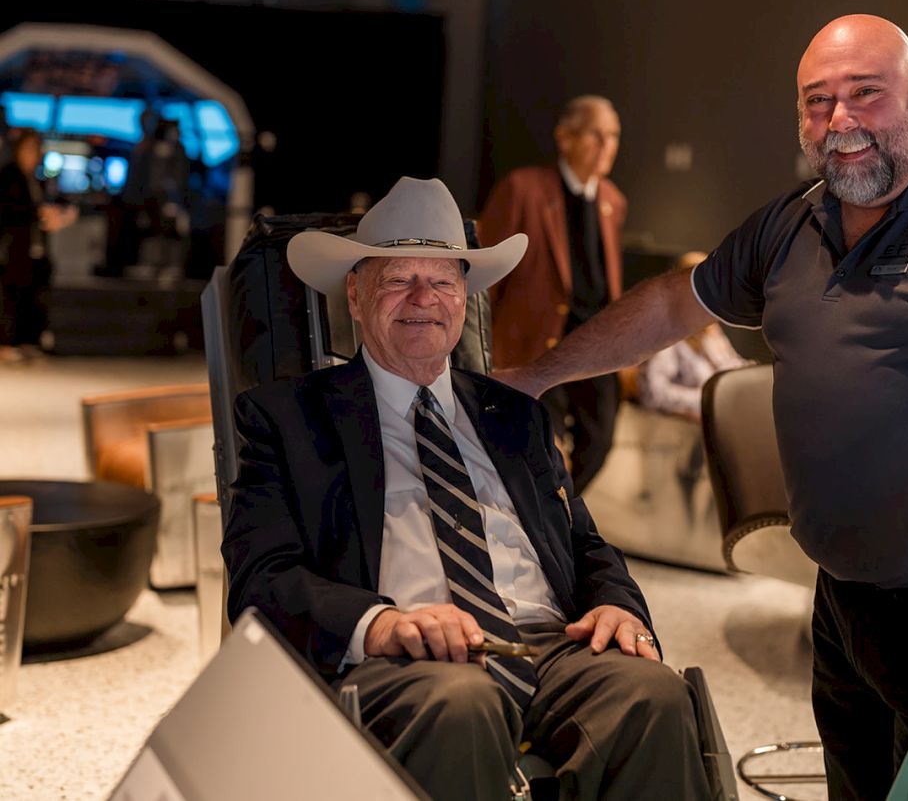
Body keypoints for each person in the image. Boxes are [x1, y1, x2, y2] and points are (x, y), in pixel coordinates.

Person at [494, 15, 908, 799]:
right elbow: (669, 307)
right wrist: (535, 377)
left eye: (867, 94)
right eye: (818, 101)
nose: (841, 121)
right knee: (857, 786)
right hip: (844, 591)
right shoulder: (789, 224)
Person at [222, 176, 707, 801]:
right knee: (463, 703)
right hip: (404, 661)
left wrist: (621, 606)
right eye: (398, 279)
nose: (423, 297)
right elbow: (260, 577)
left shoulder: (516, 417)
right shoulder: (285, 419)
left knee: (654, 694)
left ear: (463, 300)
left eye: (444, 281)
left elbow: (588, 546)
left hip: (552, 646)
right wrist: (381, 624)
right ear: (357, 295)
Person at [478, 95, 626, 493]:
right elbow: (484, 276)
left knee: (600, 443)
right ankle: (546, 522)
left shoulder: (613, 201)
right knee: (547, 446)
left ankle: (554, 514)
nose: (607, 145)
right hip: (538, 344)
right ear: (565, 137)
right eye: (596, 134)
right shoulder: (523, 189)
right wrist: (478, 349)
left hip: (596, 348)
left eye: (613, 136)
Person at [637, 252, 752, 421]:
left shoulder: (710, 330)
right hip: (682, 434)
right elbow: (654, 394)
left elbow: (730, 365)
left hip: (719, 418)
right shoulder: (667, 333)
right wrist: (709, 399)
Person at [0, 129, 76, 363]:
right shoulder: (8, 176)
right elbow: (8, 211)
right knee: (9, 295)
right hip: (13, 247)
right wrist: (38, 213)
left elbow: (55, 203)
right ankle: (5, 343)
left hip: (36, 246)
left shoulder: (38, 180)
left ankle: (26, 341)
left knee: (31, 295)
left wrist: (59, 215)